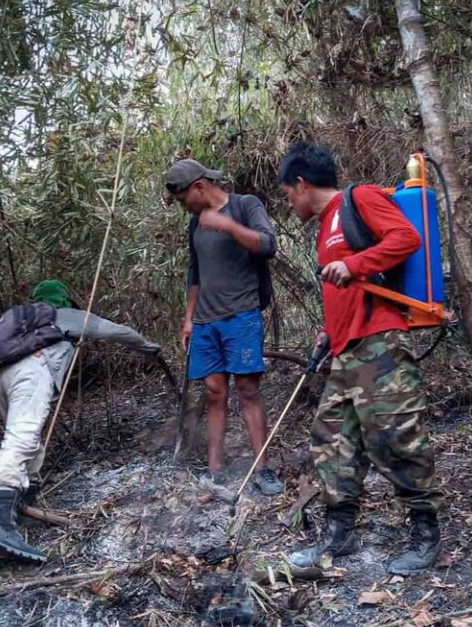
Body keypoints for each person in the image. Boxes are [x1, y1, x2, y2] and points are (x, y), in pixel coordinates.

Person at [277, 143, 446, 576]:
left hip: (379, 343)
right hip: (345, 347)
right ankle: (340, 534)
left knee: (395, 437)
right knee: (333, 440)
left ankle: (426, 535)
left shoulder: (360, 198)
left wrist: (354, 265)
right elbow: (345, 286)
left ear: (301, 183)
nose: (289, 203)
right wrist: (327, 331)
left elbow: (407, 239)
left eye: (287, 194)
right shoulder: (323, 227)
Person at [0, 279, 160, 563]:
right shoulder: (67, 315)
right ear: (64, 299)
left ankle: (25, 501)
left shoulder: (20, 318)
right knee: (21, 437)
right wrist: (148, 347)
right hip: (30, 371)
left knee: (24, 437)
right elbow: (118, 332)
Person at [165, 158, 284, 495]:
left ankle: (262, 468)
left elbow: (267, 244)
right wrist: (188, 319)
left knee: (248, 390)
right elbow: (196, 272)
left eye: (183, 199)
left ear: (199, 187)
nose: (183, 207)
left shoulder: (246, 205)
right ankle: (215, 468)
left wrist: (227, 226)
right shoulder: (195, 224)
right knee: (214, 393)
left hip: (241, 314)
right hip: (205, 322)